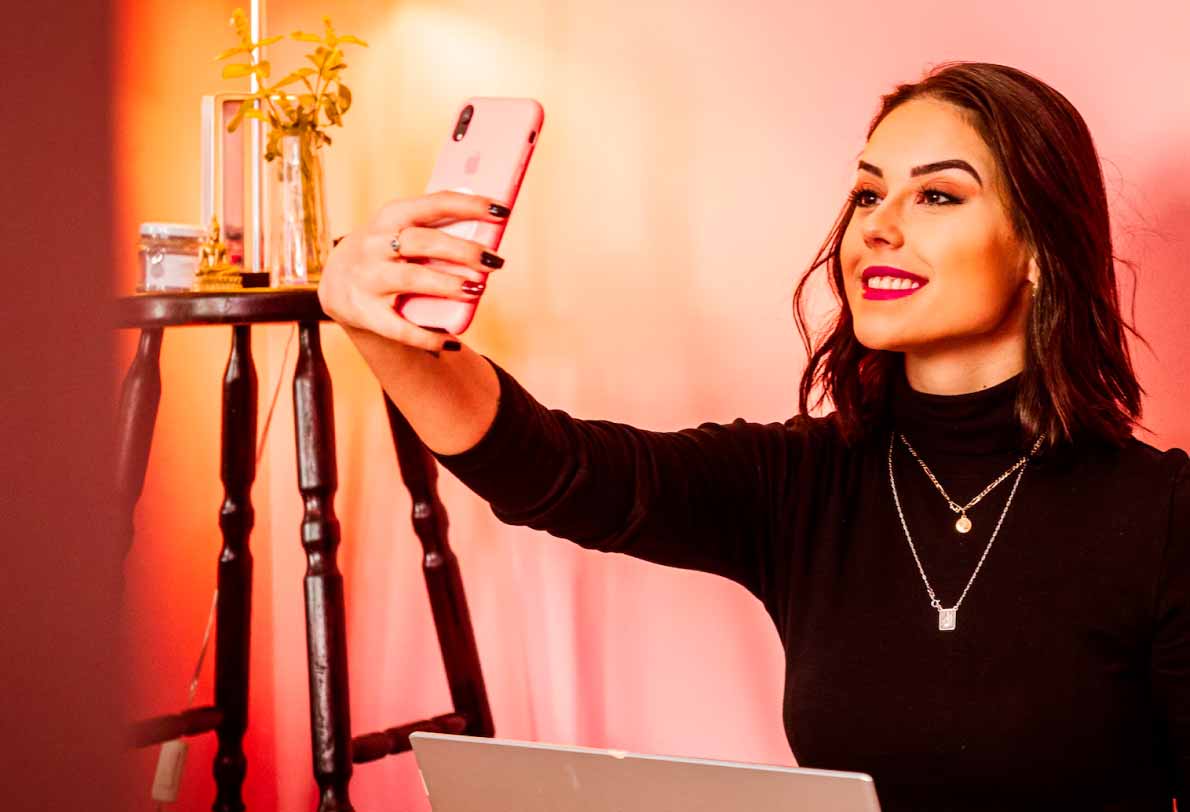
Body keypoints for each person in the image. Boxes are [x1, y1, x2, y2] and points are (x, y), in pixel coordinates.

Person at [318, 62, 1189, 811]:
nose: (878, 224)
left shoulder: (1163, 520)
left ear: (1039, 248)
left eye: (936, 194)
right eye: (865, 192)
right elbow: (553, 470)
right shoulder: (800, 481)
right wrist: (379, 323)